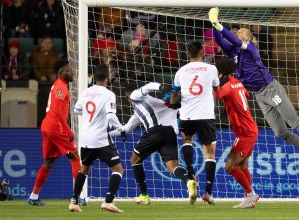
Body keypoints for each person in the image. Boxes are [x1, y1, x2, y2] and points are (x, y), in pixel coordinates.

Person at [209, 7, 299, 173]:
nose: (237, 32)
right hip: (260, 95)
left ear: (247, 37)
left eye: (241, 31)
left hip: (272, 90)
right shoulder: (233, 52)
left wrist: (218, 24)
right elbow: (220, 40)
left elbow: (232, 39)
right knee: (280, 132)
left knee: (294, 121)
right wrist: (214, 24)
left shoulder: (249, 48)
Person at [110, 83, 197, 205]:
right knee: (173, 167)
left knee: (134, 159)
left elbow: (148, 86)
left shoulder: (135, 95)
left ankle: (144, 195)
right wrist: (108, 134)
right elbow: (126, 129)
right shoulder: (140, 110)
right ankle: (188, 181)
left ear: (126, 96)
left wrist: (161, 87)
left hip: (155, 131)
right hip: (170, 133)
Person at [69, 64, 124, 213]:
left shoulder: (86, 92)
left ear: (94, 77)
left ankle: (74, 202)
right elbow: (111, 116)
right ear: (107, 78)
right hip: (101, 139)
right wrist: (121, 128)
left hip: (86, 138)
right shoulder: (109, 94)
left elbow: (76, 109)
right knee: (118, 169)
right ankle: (108, 201)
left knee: (84, 169)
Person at [170, 41, 220, 205]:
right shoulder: (212, 69)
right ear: (202, 53)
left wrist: (172, 103)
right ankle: (208, 192)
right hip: (205, 115)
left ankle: (191, 173)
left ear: (187, 54)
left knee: (187, 140)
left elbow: (174, 96)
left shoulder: (180, 71)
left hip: (187, 114)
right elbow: (217, 90)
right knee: (209, 153)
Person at [27, 60, 81, 206]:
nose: (71, 71)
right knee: (75, 158)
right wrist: (68, 129)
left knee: (49, 162)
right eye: (67, 69)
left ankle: (33, 196)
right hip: (55, 126)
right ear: (60, 72)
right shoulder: (60, 86)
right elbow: (57, 111)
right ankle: (78, 196)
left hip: (48, 125)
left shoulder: (59, 85)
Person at [215, 58, 259, 209]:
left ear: (220, 72)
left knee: (230, 166)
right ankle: (249, 197)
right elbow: (246, 94)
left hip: (245, 131)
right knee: (241, 165)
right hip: (249, 128)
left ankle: (250, 193)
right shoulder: (237, 82)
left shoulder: (226, 86)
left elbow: (216, 96)